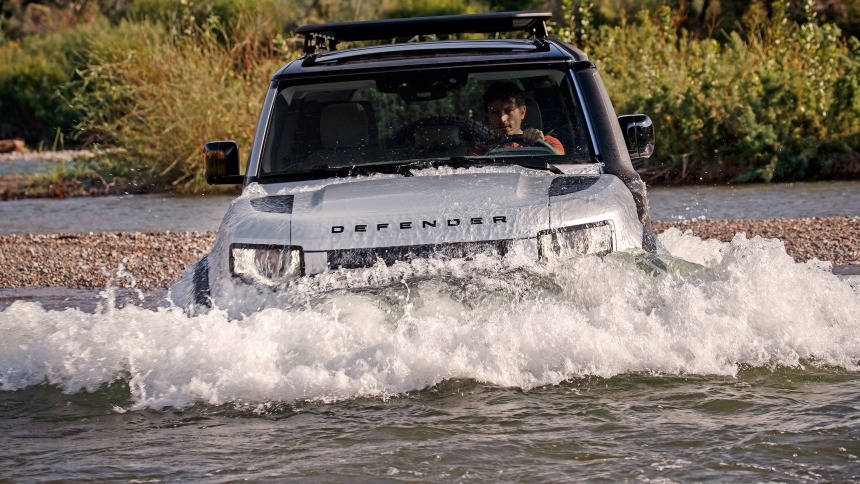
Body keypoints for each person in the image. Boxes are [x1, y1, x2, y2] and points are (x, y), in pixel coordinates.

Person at [474, 81, 565, 155]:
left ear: (522, 112)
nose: (502, 118)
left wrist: (540, 147)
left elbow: (562, 164)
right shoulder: (481, 151)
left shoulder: (548, 142)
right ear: (488, 116)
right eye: (495, 112)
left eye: (508, 111)